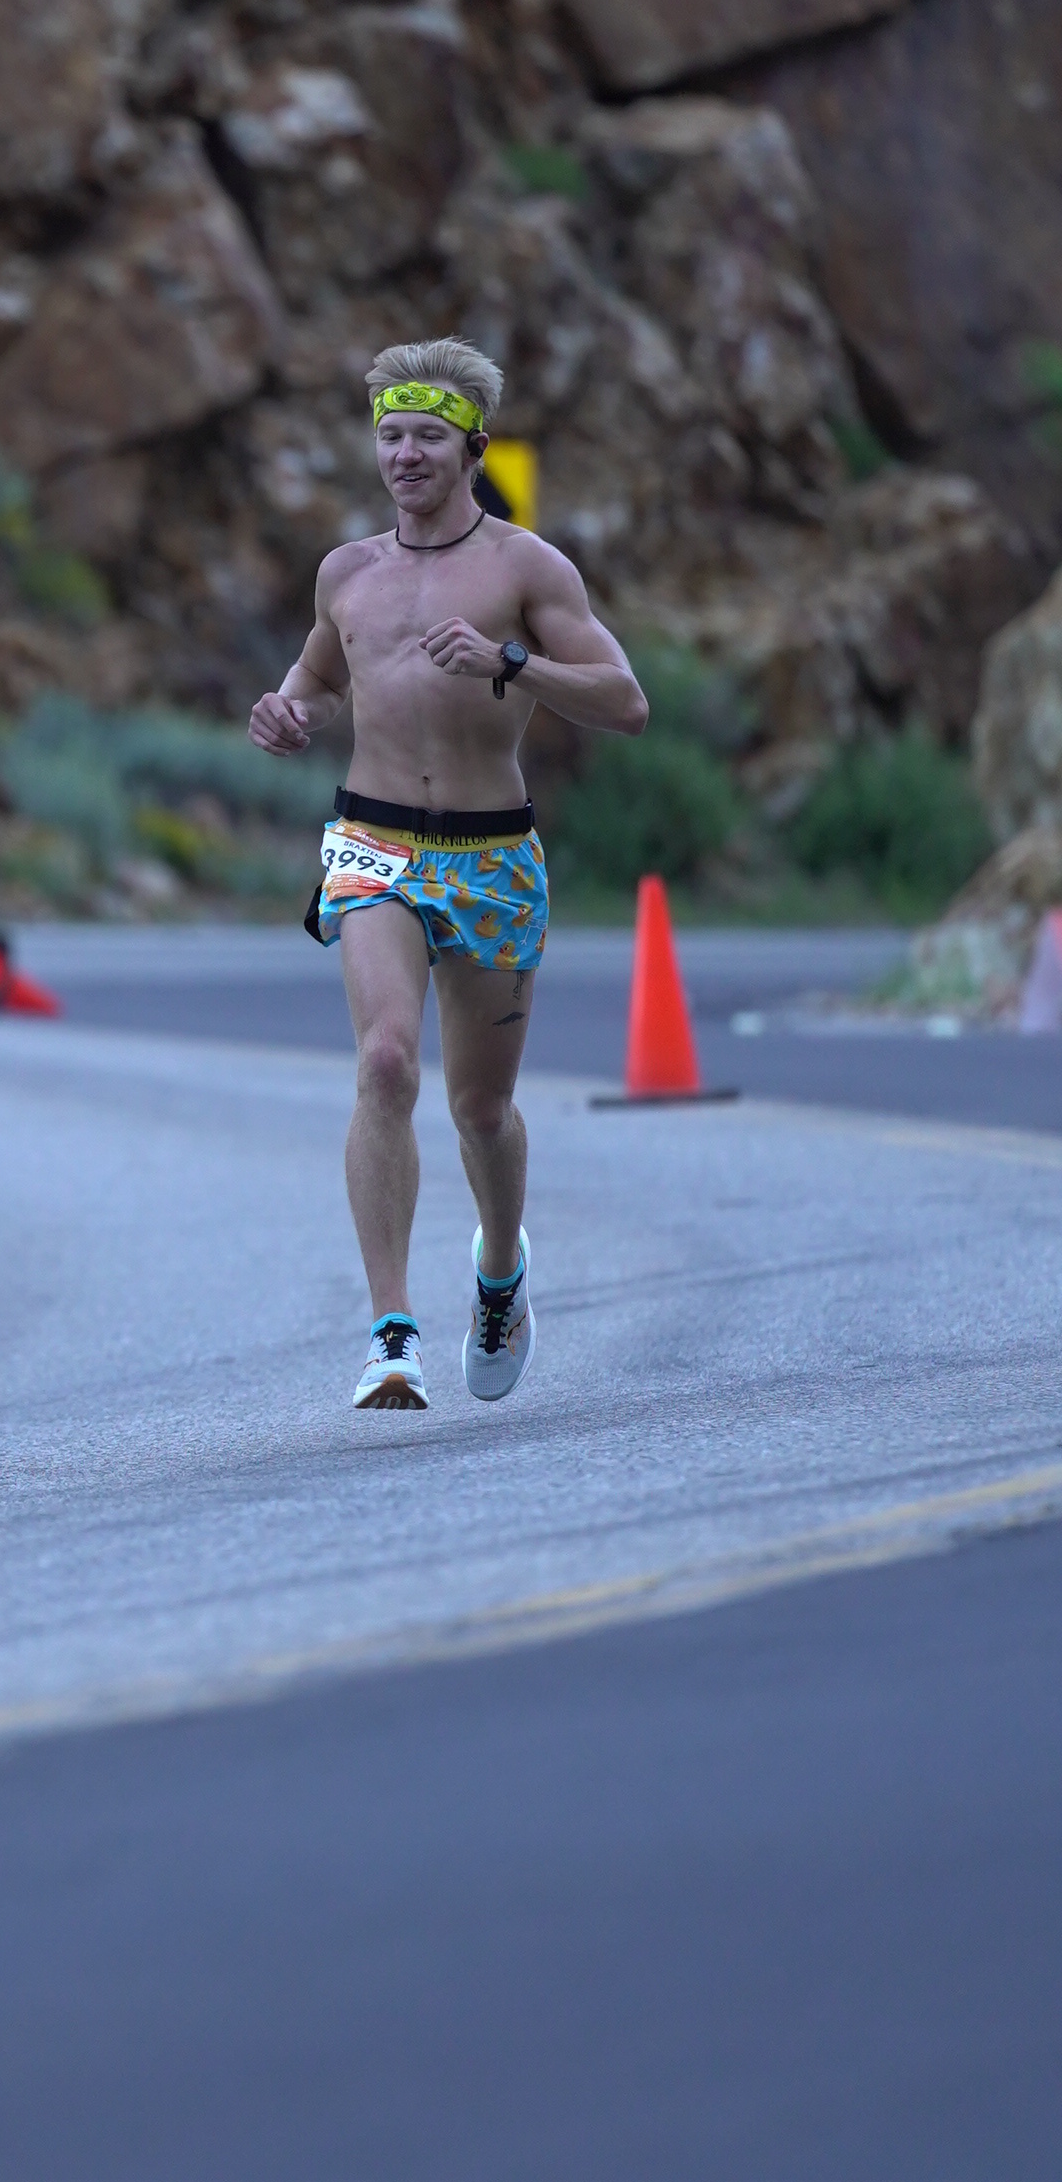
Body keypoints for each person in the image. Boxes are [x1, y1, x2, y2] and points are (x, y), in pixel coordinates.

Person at [247, 339, 648, 1415]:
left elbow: (624, 701)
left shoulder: (527, 568)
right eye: (389, 435)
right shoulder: (346, 572)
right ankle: (390, 1334)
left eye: (427, 434)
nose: (405, 454)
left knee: (480, 1108)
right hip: (372, 841)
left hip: (490, 854)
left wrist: (510, 661)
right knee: (384, 1063)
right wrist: (289, 715)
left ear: (472, 446)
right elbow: (317, 679)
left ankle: (500, 1271)